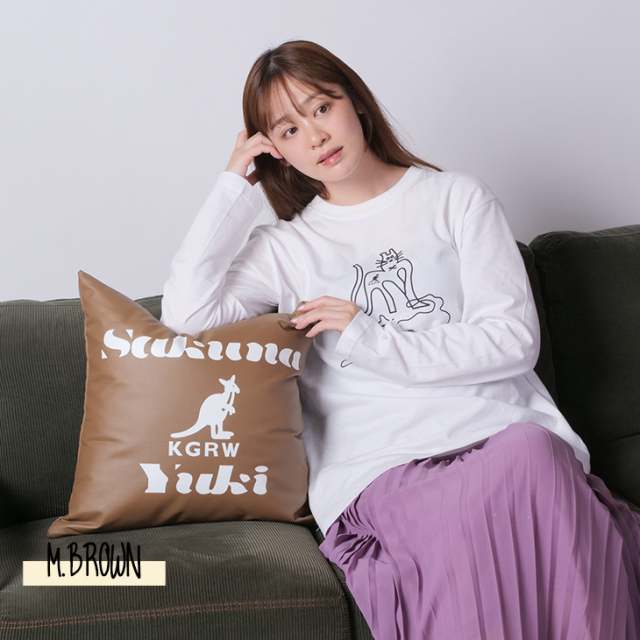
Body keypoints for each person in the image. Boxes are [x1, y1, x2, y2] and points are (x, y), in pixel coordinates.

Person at [161, 40, 640, 639]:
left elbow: (513, 339)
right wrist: (233, 184)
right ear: (274, 150)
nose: (315, 135)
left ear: (356, 103)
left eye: (321, 107)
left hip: (502, 439)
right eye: (288, 129)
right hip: (382, 469)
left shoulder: (456, 199)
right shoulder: (285, 250)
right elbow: (186, 315)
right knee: (508, 484)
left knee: (531, 454)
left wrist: (367, 337)